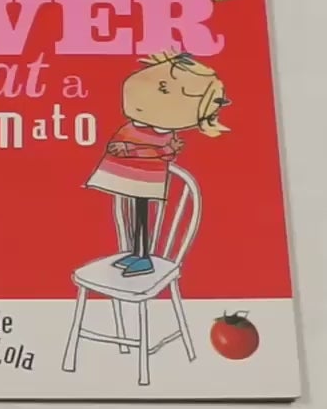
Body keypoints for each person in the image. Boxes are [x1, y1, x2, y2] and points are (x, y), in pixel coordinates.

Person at [85, 51, 229, 276]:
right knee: (135, 215)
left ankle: (144, 257)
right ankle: (136, 253)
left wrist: (130, 150)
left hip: (144, 179)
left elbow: (164, 152)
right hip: (129, 178)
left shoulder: (163, 134)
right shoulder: (136, 126)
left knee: (142, 216)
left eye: (163, 89)